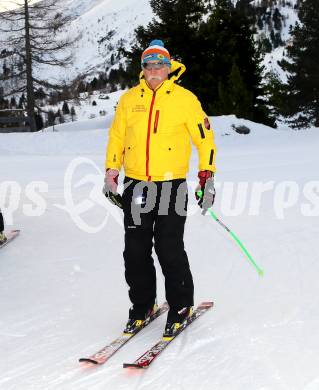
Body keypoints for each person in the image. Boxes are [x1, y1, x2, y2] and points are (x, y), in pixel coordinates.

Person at [104, 40, 217, 337]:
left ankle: (180, 306)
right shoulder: (129, 99)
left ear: (169, 69)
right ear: (143, 70)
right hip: (137, 184)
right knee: (135, 251)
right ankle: (143, 306)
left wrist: (207, 175)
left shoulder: (185, 99)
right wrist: (112, 169)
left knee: (168, 247)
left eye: (159, 65)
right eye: (149, 65)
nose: (154, 70)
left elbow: (204, 139)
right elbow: (117, 137)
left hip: (173, 185)